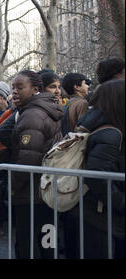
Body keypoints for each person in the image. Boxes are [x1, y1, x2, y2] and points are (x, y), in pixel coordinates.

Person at [66, 79, 125, 259]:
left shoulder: (98, 126)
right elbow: (97, 177)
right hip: (100, 217)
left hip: (96, 214)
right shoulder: (111, 134)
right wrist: (122, 203)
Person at [10, 70, 63, 259]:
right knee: (47, 243)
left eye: (20, 87)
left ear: (35, 89)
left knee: (29, 245)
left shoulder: (32, 115)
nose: (15, 91)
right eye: (13, 87)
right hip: (45, 192)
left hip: (31, 194)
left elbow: (28, 159)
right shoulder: (40, 109)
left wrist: (12, 187)